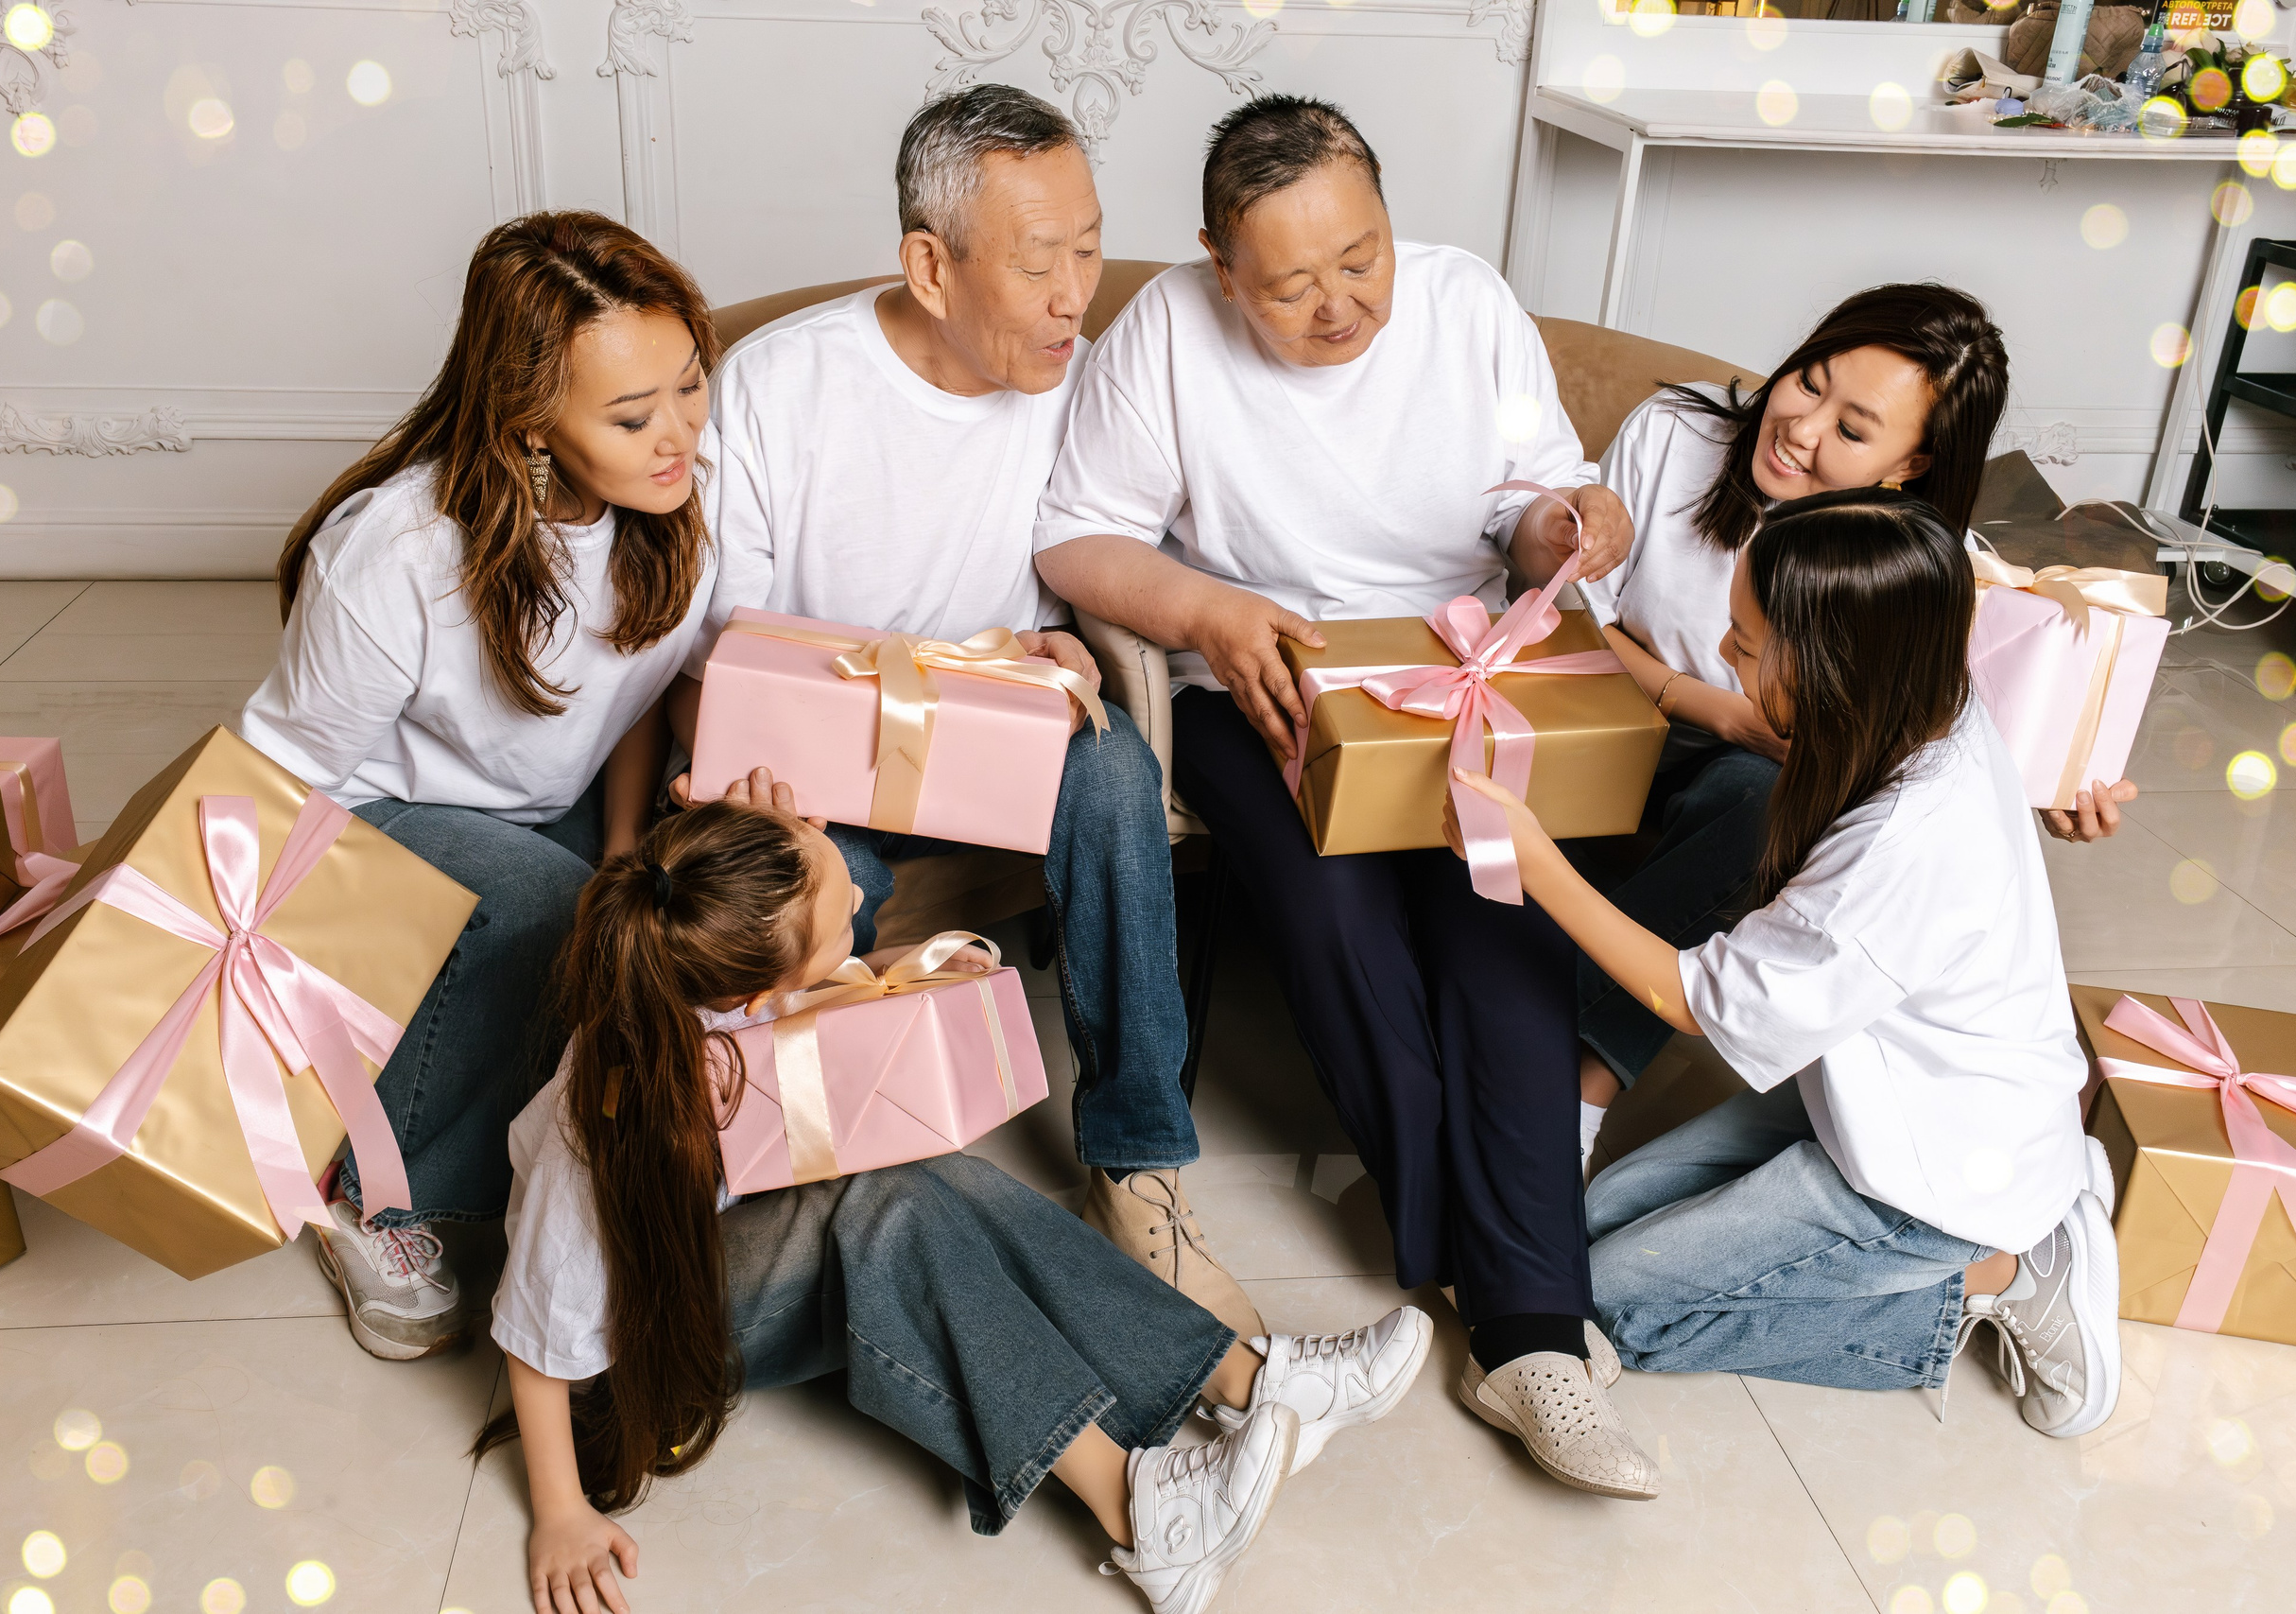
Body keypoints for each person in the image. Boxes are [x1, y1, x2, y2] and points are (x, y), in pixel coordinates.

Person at [1033, 94, 1660, 1500]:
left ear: (1390, 211)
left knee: (1499, 908)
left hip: (1449, 663)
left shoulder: (1465, 299)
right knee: (1335, 914)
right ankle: (1499, 1275)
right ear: (1212, 259)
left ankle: (1530, 1335)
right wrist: (1205, 607)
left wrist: (1563, 520)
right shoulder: (1167, 337)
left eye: (1361, 256)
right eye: (1293, 284)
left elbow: (1529, 495)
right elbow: (1074, 534)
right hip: (1256, 681)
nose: (1342, 306)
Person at [481, 777, 1431, 1614]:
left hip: (726, 1239)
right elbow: (537, 1327)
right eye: (838, 899)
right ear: (763, 986)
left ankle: (1249, 1379)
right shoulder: (601, 1117)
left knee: (931, 1183)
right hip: (653, 1340)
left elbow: (798, 1013)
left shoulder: (707, 970)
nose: (857, 889)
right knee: (895, 1217)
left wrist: (890, 977)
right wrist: (559, 1511)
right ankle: (1145, 1518)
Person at [672, 87, 1265, 1336]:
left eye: (1090, 248)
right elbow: (715, 661)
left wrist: (1055, 641)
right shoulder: (782, 387)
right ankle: (763, 1197)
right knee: (794, 918)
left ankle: (1139, 1166)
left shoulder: (1082, 380)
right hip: (824, 784)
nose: (1074, 296)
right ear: (931, 266)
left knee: (1111, 768)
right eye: (1039, 261)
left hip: (1000, 752)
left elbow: (1106, 545)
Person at [1451, 489, 2120, 1436]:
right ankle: (2008, 1232)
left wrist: (1537, 863)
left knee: (1606, 1308)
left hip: (1929, 1187)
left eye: (1745, 641)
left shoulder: (1901, 845)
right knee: (1578, 1233)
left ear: (1839, 665)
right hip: (1884, 1109)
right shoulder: (1926, 704)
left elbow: (1693, 1000)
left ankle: (2004, 1275)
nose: (1724, 654)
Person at [240, 212, 717, 1361]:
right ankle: (372, 1187)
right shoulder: (399, 553)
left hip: (555, 791)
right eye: (633, 415)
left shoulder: (682, 487)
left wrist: (621, 850)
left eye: (691, 386)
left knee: (683, 900)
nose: (679, 436)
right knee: (560, 920)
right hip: (372, 811)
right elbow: (283, 778)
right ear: (528, 425)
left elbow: (641, 688)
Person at [1569, 284, 2132, 1169]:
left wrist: (2049, 789)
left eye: (1853, 430)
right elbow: (1575, 616)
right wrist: (1706, 701)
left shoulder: (1912, 569)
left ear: (1910, 466)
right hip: (1602, 715)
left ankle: (1575, 1091)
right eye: (1809, 381)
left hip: (1755, 787)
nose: (1799, 427)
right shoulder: (1673, 434)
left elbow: (1944, 752)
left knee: (1759, 798)